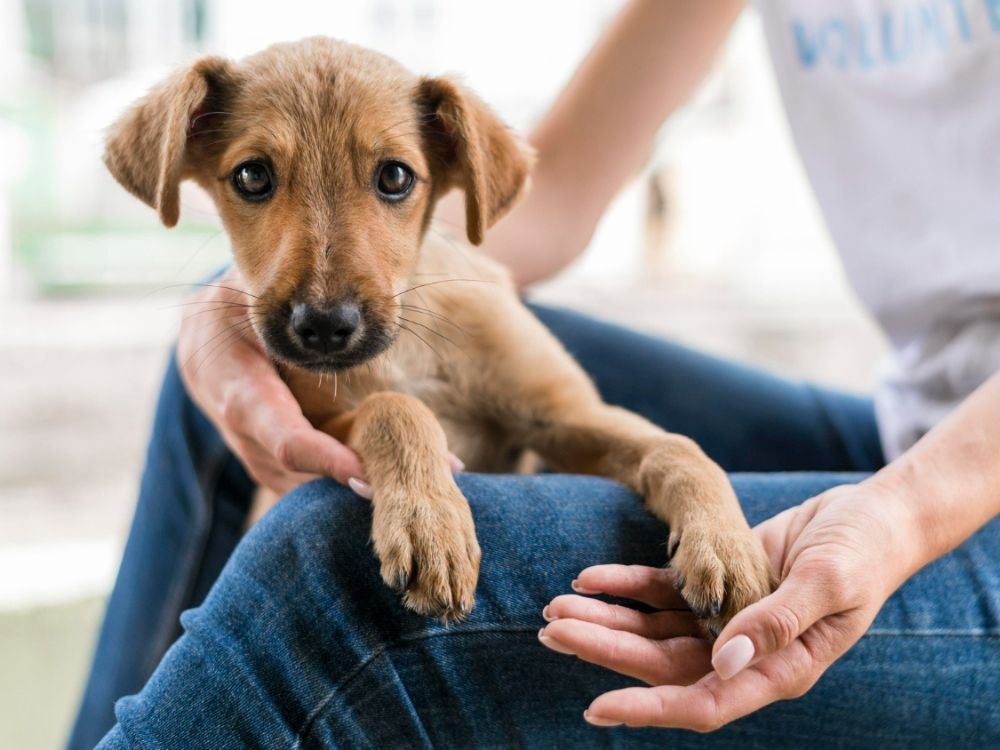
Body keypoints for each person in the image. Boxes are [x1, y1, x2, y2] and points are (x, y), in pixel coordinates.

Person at [69, 1, 1000, 747]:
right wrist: (217, 304)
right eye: (254, 180)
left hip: (965, 494)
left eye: (391, 180)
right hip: (906, 421)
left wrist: (907, 509)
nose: (323, 284)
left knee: (333, 561)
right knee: (221, 330)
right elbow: (545, 199)